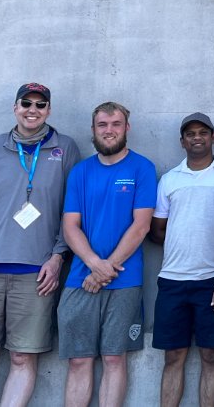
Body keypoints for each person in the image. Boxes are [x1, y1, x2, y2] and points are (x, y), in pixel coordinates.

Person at [0, 83, 81, 407]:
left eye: (40, 105)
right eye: (26, 103)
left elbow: (73, 210)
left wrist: (56, 258)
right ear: (15, 107)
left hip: (37, 273)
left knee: (23, 358)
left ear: (49, 110)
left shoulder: (66, 149)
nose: (32, 110)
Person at [58, 102, 158, 407]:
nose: (109, 130)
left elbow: (141, 227)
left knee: (114, 358)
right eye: (102, 124)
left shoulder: (142, 168)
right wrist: (93, 264)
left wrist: (106, 269)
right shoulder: (80, 172)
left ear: (127, 128)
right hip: (80, 278)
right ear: (93, 130)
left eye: (116, 124)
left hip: (124, 280)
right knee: (78, 360)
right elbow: (70, 226)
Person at [149, 113, 214, 407]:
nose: (197, 137)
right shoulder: (169, 179)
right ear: (182, 141)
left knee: (210, 355)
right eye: (190, 134)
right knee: (173, 355)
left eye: (203, 132)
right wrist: (186, 239)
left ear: (213, 137)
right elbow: (158, 230)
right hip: (172, 281)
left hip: (213, 281)